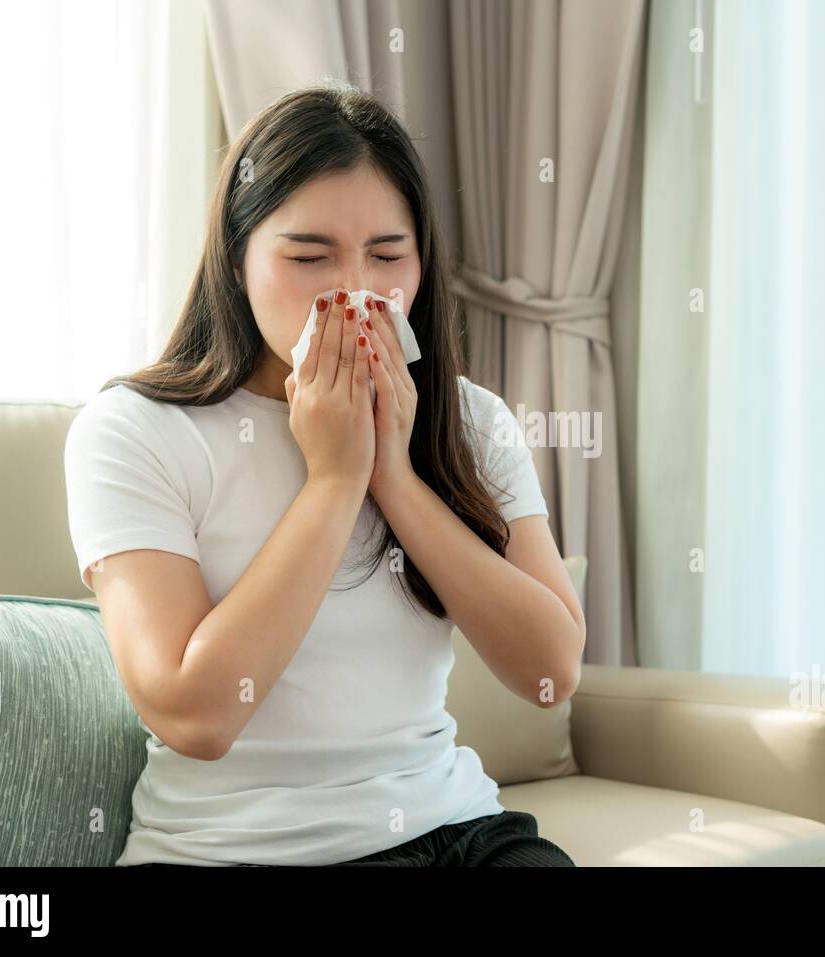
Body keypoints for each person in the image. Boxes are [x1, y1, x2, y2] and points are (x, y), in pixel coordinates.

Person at [63, 80, 583, 868]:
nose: (357, 291)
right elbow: (196, 716)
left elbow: (552, 670)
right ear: (237, 259)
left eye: (387, 254)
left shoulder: (471, 421)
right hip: (235, 851)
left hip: (453, 833)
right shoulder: (134, 430)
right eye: (309, 256)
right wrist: (334, 482)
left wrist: (396, 479)